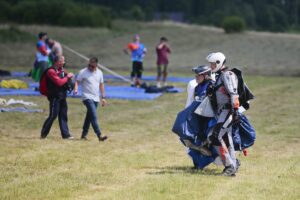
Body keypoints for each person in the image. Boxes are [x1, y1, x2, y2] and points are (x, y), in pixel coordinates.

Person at [206, 52, 240, 176]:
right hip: (223, 112)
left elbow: (233, 93)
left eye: (213, 64)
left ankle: (230, 166)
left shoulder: (227, 74)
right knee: (226, 138)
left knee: (215, 137)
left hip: (228, 111)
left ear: (219, 63)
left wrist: (235, 111)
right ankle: (233, 164)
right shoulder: (220, 76)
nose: (211, 66)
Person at [74, 57, 108, 142]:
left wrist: (103, 97)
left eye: (92, 66)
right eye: (89, 65)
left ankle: (83, 135)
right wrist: (75, 89)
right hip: (87, 97)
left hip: (96, 98)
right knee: (93, 115)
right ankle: (99, 135)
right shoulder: (83, 72)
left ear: (96, 65)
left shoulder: (100, 73)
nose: (90, 67)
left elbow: (101, 85)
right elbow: (77, 82)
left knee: (89, 117)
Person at [41, 55, 74, 139]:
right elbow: (59, 82)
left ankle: (66, 135)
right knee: (53, 115)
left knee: (63, 115)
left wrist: (70, 81)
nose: (64, 62)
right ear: (58, 62)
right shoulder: (51, 71)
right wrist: (67, 77)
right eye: (63, 61)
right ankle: (43, 133)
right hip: (55, 97)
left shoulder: (61, 70)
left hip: (62, 96)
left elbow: (68, 78)